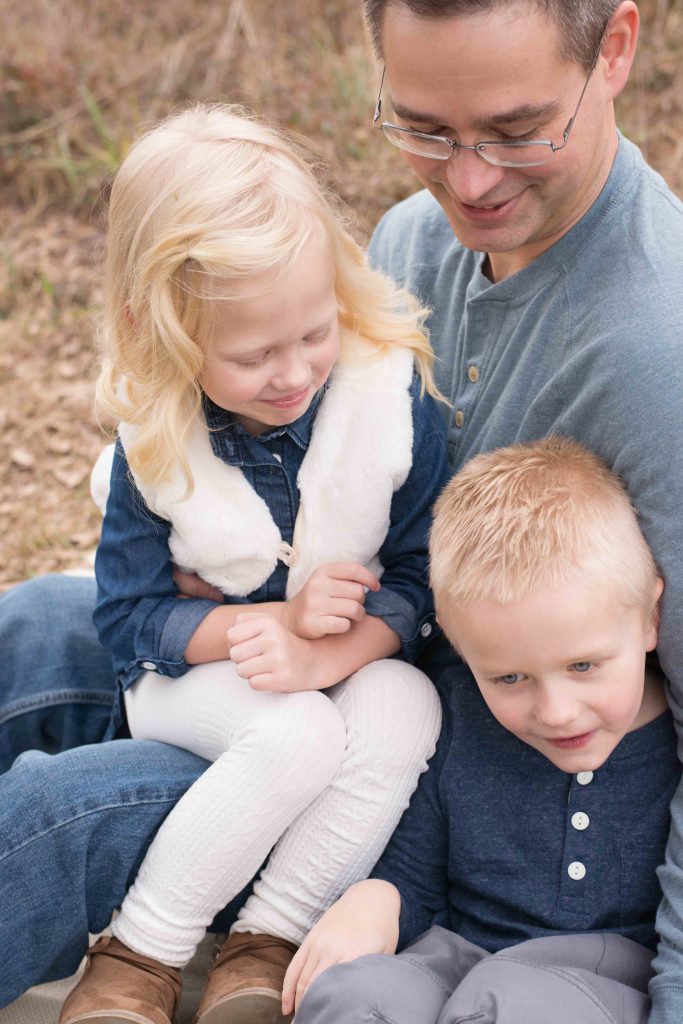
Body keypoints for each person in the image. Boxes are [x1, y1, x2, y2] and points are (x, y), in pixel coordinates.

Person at [1, 0, 682, 1020]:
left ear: (615, 48)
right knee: (42, 623)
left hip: (425, 769)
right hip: (309, 655)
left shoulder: (655, 355)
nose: (466, 180)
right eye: (422, 127)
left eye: (512, 130)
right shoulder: (410, 245)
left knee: (69, 810)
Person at [54, 102, 444, 1024]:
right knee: (297, 733)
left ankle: (266, 943)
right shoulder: (158, 444)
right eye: (251, 354)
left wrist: (329, 654)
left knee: (407, 705)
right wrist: (256, 626)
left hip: (333, 664)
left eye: (314, 332)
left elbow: (423, 576)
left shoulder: (385, 403)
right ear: (163, 333)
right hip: (189, 679)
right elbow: (126, 618)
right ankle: (142, 952)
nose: (292, 371)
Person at [288, 436, 680, 1024]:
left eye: (583, 666)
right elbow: (415, 874)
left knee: (509, 1002)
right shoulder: (461, 720)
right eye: (510, 677)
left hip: (604, 981)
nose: (556, 711)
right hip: (458, 958)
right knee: (355, 994)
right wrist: (378, 899)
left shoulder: (670, 747)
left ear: (650, 617)